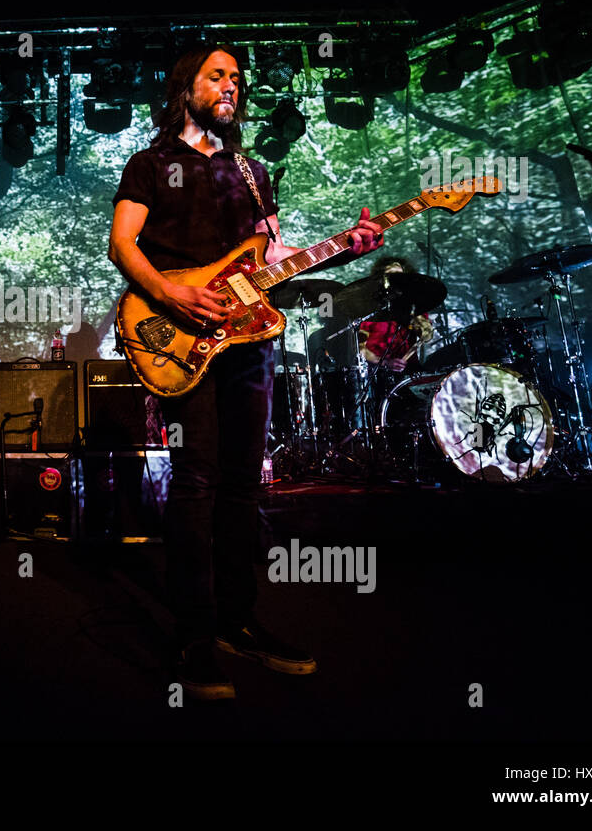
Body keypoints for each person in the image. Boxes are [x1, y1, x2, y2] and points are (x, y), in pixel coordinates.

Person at [108, 43, 384, 700]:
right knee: (196, 477)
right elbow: (122, 241)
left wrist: (350, 244)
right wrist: (174, 295)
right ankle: (193, 633)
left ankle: (237, 620)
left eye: (237, 76)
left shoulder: (254, 172)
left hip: (249, 341)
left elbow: (273, 256)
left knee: (240, 484)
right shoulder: (151, 164)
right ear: (186, 87)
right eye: (217, 74)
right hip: (178, 335)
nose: (231, 84)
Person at [357, 256, 434, 376]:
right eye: (391, 275)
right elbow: (361, 349)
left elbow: (427, 336)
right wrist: (386, 363)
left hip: (409, 374)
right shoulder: (370, 310)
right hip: (377, 375)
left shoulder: (413, 306)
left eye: (400, 276)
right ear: (382, 281)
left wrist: (413, 311)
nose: (396, 280)